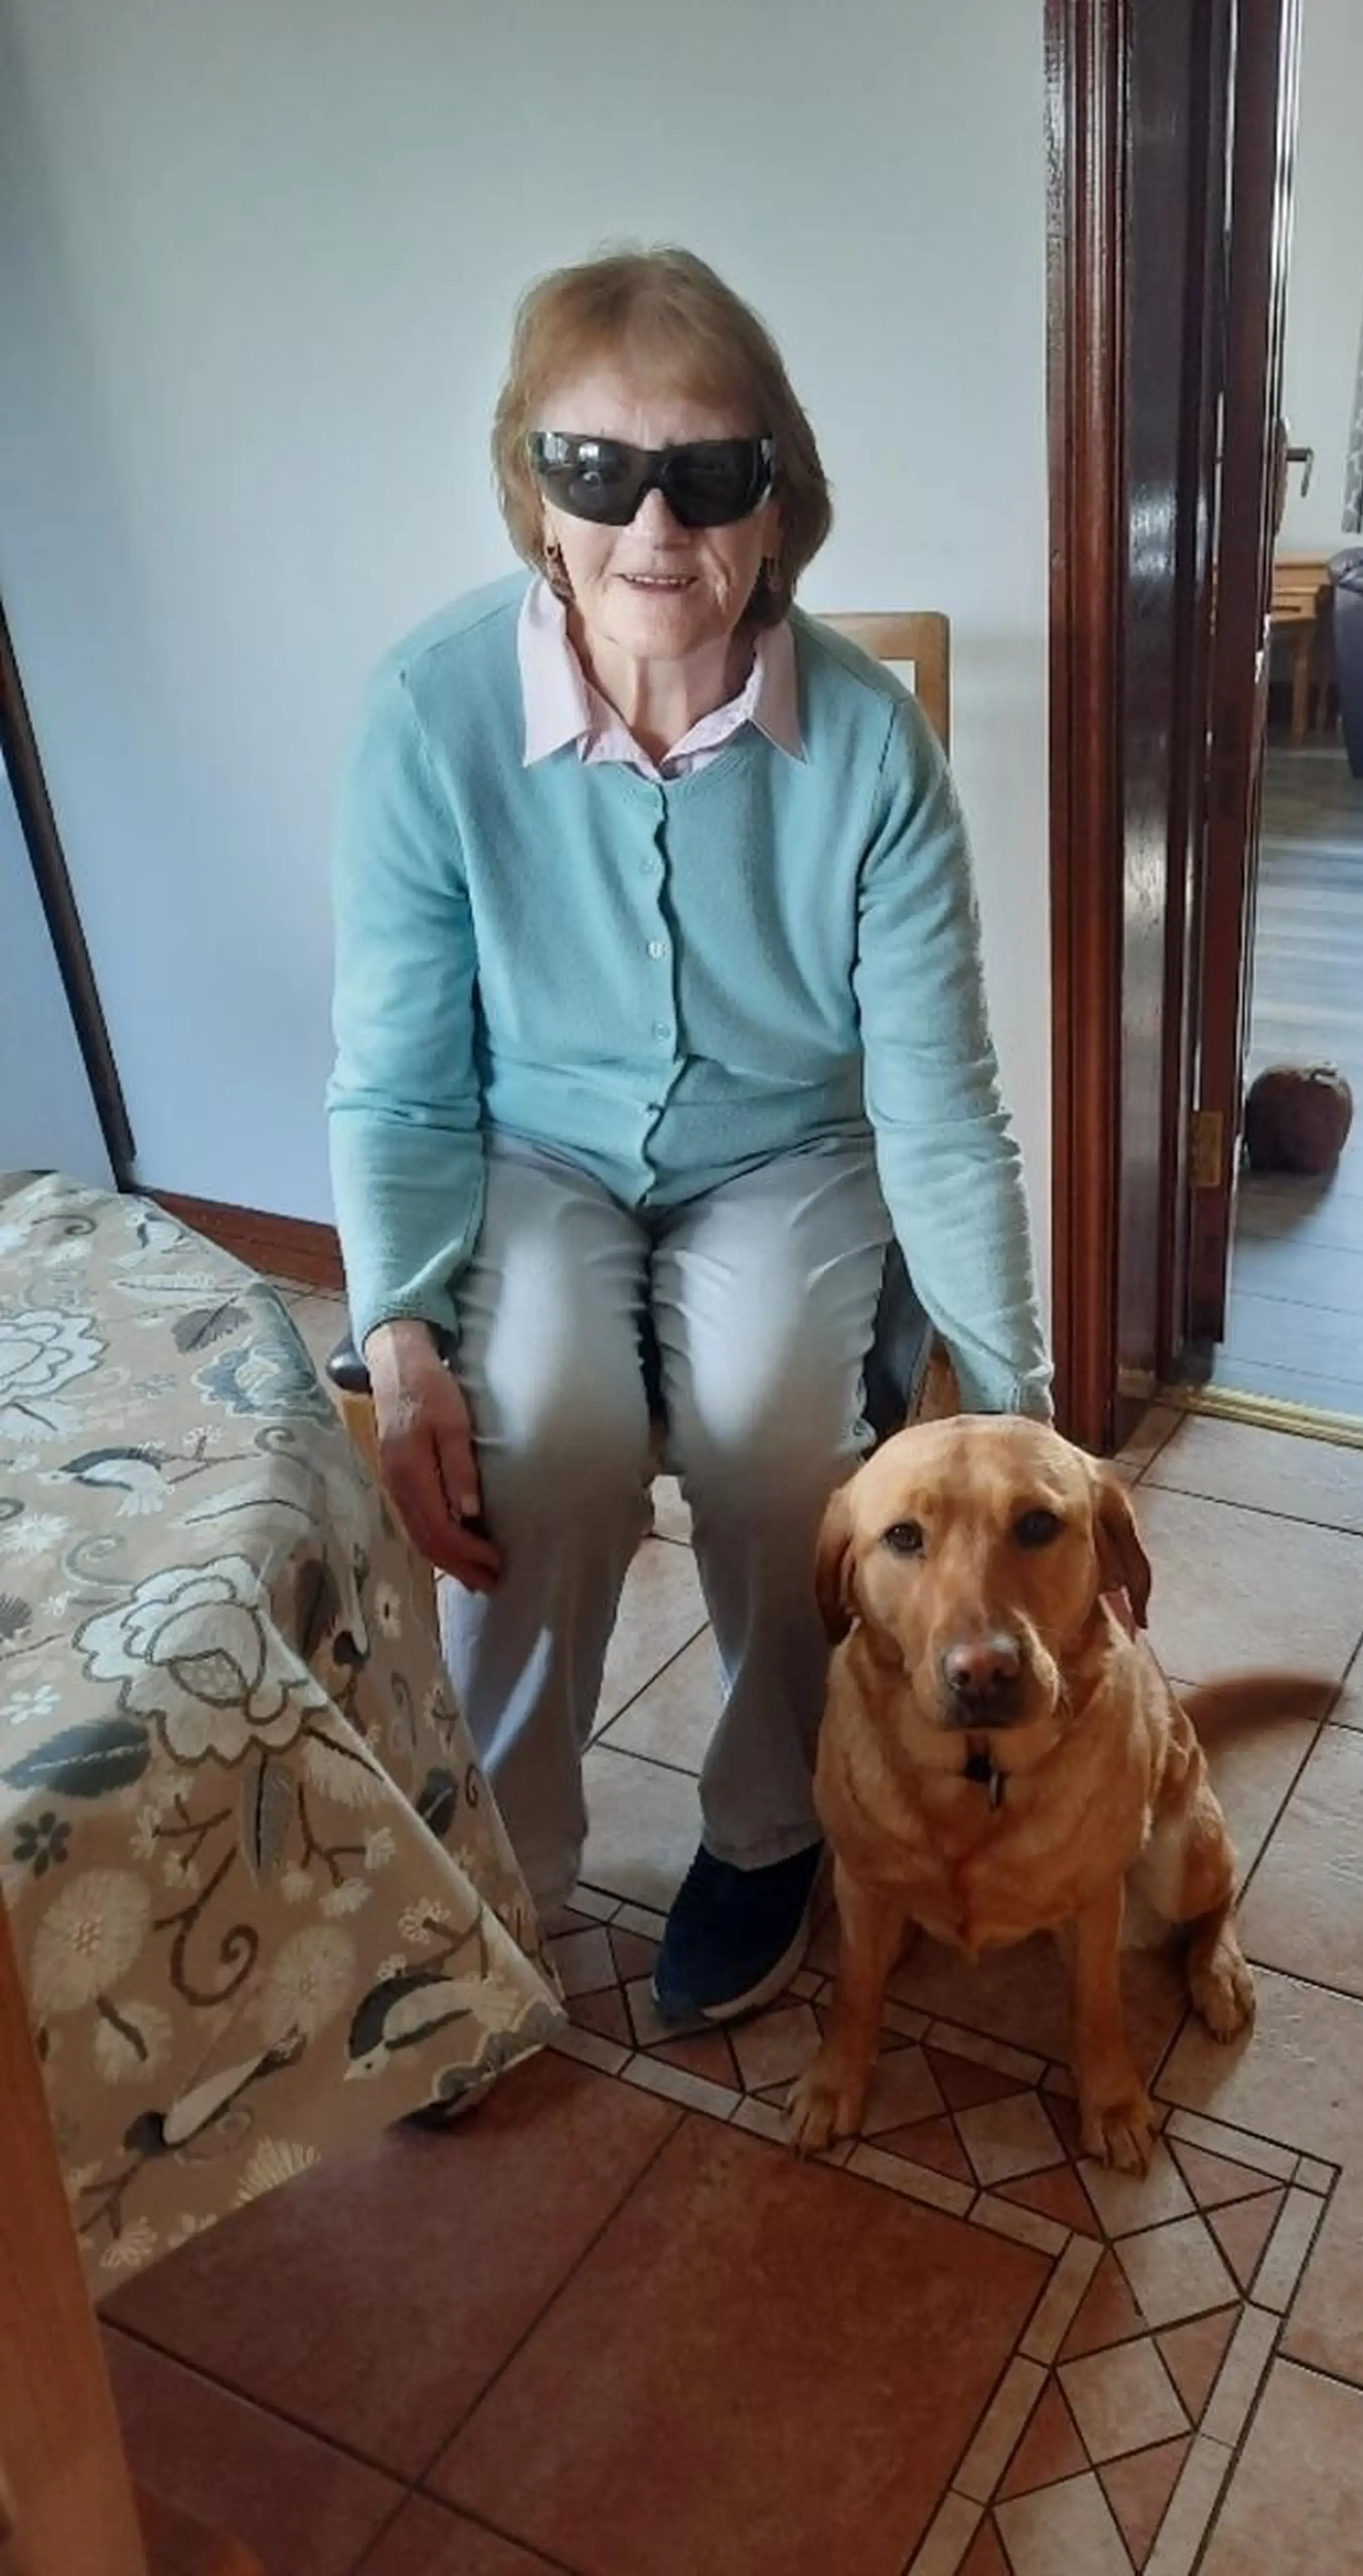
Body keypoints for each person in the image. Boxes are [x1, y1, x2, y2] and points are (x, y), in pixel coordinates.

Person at [327, 246, 1050, 2024]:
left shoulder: (870, 749)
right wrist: (399, 1334)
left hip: (787, 1158)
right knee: (545, 1433)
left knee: (775, 1438)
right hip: (533, 1156)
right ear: (534, 493)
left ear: (776, 502)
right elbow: (399, 1077)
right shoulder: (427, 718)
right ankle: (506, 1858)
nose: (653, 523)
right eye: (596, 469)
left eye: (709, 473)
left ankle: (769, 1827)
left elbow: (939, 1103)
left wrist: (1016, 1397)